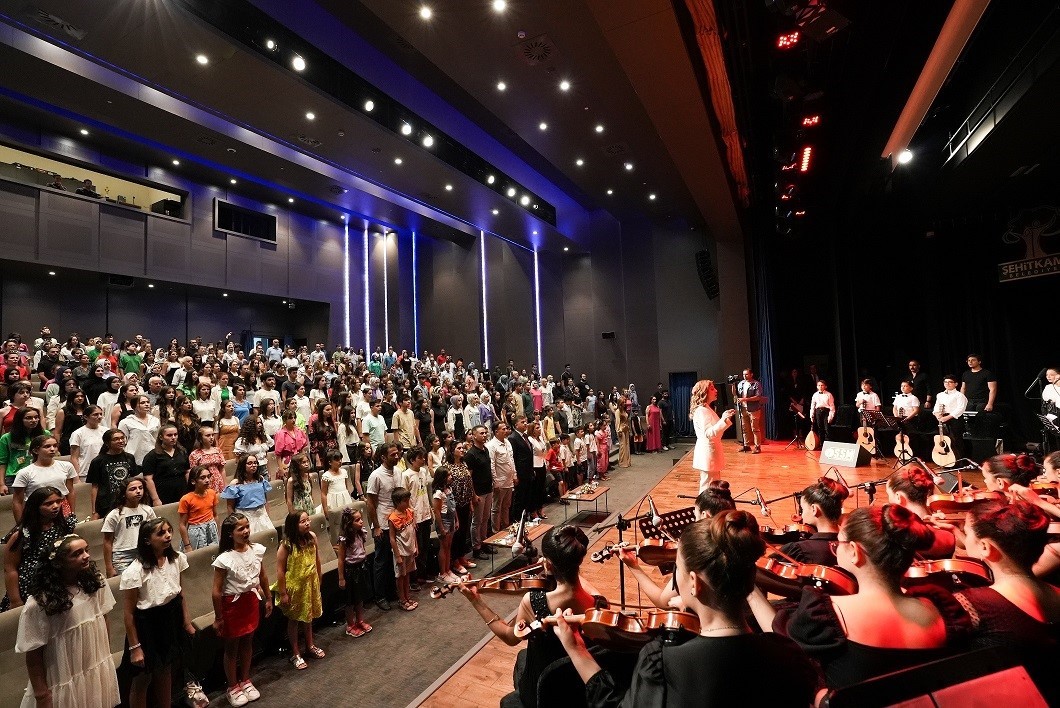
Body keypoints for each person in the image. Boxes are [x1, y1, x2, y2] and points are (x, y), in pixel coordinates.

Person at [556, 511, 821, 707]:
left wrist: (576, 649)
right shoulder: (788, 653)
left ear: (694, 583)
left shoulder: (662, 662)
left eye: (677, 569)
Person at [749, 504, 971, 690]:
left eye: (838, 544)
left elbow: (782, 638)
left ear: (854, 552)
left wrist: (749, 590)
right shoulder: (941, 606)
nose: (835, 548)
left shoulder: (829, 614)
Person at [459, 525, 607, 708]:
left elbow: (509, 636)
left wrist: (475, 601)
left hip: (543, 693)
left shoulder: (534, 602)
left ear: (549, 564)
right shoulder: (599, 603)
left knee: (522, 658)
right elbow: (575, 583)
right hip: (580, 686)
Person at [15, 534, 120, 708]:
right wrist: (42, 695)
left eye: (86, 550)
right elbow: (33, 655)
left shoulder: (96, 583)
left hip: (93, 666)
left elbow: (103, 619)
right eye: (77, 554)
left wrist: (103, 658)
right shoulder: (40, 603)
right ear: (59, 563)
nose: (86, 556)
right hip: (63, 675)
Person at [620, 480, 737, 611]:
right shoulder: (741, 543)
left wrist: (633, 566)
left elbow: (662, 602)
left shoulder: (695, 555)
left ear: (705, 516)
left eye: (695, 515)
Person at [120, 518, 194, 708]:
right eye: (161, 533)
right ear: (147, 540)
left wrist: (186, 622)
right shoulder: (135, 571)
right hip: (148, 625)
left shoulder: (176, 559)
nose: (168, 535)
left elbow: (181, 593)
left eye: (169, 531)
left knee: (165, 669)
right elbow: (129, 614)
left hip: (171, 619)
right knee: (143, 678)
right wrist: (135, 647)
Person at [212, 514, 272, 707]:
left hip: (250, 601)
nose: (246, 531)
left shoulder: (256, 550)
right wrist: (219, 617)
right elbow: (216, 591)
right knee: (232, 648)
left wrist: (269, 598)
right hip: (232, 605)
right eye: (241, 529)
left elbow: (263, 576)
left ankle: (245, 679)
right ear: (230, 534)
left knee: (248, 641)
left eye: (247, 527)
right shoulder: (224, 559)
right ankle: (232, 686)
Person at [3, 486, 77, 610]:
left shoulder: (64, 526)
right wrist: (15, 600)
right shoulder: (22, 534)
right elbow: (10, 568)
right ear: (36, 507)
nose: (55, 506)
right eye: (48, 504)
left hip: (58, 579)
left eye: (58, 501)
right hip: (31, 584)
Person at [276, 511, 325, 671]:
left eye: (308, 520)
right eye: (302, 521)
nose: (307, 523)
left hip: (310, 585)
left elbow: (317, 559)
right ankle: (295, 652)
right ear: (293, 525)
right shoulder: (286, 545)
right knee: (294, 620)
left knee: (308, 617)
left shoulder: (312, 537)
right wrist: (283, 593)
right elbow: (280, 571)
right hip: (295, 588)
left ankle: (310, 646)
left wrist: (319, 576)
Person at [885, 463, 956, 558]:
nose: (888, 500)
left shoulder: (901, 535)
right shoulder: (945, 531)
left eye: (889, 495)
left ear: (898, 497)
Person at [365, 442, 405, 611]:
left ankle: (392, 592)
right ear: (383, 457)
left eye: (398, 454)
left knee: (395, 559)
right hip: (382, 522)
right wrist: (375, 526)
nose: (397, 457)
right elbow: (370, 503)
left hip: (397, 521)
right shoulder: (376, 475)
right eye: (392, 455)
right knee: (382, 561)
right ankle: (380, 596)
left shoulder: (398, 471)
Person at [779, 477, 849, 566]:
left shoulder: (799, 550)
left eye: (803, 509)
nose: (802, 516)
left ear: (814, 509)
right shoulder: (851, 546)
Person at [11, 435, 77, 523]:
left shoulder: (67, 466)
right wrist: (20, 525)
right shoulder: (25, 473)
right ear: (35, 450)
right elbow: (17, 501)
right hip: (37, 510)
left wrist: (72, 513)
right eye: (47, 446)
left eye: (55, 446)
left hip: (61, 507)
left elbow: (70, 491)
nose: (52, 449)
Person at [102, 477, 156, 577]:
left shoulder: (147, 510)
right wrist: (109, 567)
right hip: (122, 555)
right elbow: (107, 542)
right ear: (124, 493)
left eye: (140, 488)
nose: (138, 491)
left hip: (143, 552)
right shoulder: (115, 514)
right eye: (133, 489)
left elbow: (153, 533)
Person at [690, 379, 736, 493]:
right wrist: (723, 419)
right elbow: (708, 434)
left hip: (711, 451)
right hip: (708, 452)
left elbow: (715, 432)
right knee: (707, 487)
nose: (716, 390)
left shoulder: (706, 408)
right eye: (712, 388)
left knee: (711, 485)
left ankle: (708, 508)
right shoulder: (702, 410)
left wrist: (725, 419)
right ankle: (703, 509)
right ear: (704, 391)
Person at [337, 507, 373, 638]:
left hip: (361, 567)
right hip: (350, 571)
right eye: (357, 520)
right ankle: (350, 625)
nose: (361, 522)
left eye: (361, 519)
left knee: (359, 598)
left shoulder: (361, 533)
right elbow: (340, 560)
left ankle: (360, 620)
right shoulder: (344, 540)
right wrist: (341, 577)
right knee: (350, 600)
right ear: (349, 523)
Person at [401, 447, 434, 589]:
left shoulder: (423, 471)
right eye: (420, 458)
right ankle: (414, 579)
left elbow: (425, 491)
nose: (423, 460)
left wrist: (430, 509)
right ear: (413, 459)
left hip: (425, 513)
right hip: (414, 516)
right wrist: (410, 516)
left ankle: (423, 574)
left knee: (425, 546)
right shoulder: (406, 475)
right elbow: (405, 498)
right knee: (416, 549)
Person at [0, 406, 48, 495]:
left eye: (36, 417)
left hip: (40, 474)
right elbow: (2, 462)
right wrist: (2, 484)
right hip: (15, 476)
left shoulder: (45, 434)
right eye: (28, 418)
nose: (34, 420)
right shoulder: (7, 438)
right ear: (20, 420)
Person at [221, 455, 274, 534]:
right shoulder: (235, 483)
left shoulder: (260, 479)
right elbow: (230, 506)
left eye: (255, 463)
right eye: (250, 463)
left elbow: (265, 501)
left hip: (261, 515)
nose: (253, 465)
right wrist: (235, 523)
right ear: (243, 465)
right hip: (245, 516)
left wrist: (268, 516)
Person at [142, 424, 190, 506]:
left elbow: (187, 472)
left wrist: (190, 491)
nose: (173, 437)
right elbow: (148, 479)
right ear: (161, 437)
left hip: (182, 491)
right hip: (162, 493)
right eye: (169, 435)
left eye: (175, 434)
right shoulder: (152, 455)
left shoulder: (182, 452)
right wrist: (155, 499)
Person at [465, 424, 494, 560]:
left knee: (485, 519)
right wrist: (473, 495)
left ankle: (484, 542)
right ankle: (476, 547)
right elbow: (469, 477)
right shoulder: (470, 454)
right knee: (477, 521)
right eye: (481, 433)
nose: (484, 435)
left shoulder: (486, 450)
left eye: (485, 433)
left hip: (488, 489)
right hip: (478, 492)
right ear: (474, 435)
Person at [388, 488, 419, 611]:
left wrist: (416, 546)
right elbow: (392, 539)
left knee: (407, 575)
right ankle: (401, 600)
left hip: (410, 549)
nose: (407, 503)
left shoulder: (410, 512)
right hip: (401, 551)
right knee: (400, 577)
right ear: (397, 502)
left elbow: (413, 531)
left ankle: (407, 597)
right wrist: (398, 556)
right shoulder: (392, 518)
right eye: (405, 501)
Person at [179, 466, 220, 550]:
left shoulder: (212, 493)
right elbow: (182, 525)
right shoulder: (186, 499)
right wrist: (187, 545)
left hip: (211, 528)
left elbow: (215, 515)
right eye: (203, 478)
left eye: (208, 477)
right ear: (193, 481)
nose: (207, 480)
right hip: (196, 531)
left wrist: (219, 534)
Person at [431, 466, 460, 584]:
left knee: (449, 546)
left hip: (451, 519)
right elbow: (437, 511)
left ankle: (448, 570)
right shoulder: (438, 494)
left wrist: (457, 520)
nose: (451, 477)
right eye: (448, 475)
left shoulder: (449, 490)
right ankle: (442, 573)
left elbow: (453, 507)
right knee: (444, 546)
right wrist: (441, 527)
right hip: (444, 521)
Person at [488, 421, 516, 531]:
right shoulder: (491, 445)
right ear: (496, 432)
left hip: (509, 480)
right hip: (499, 481)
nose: (506, 431)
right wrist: (495, 482)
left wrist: (515, 475)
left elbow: (511, 460)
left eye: (506, 429)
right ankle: (496, 531)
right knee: (496, 508)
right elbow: (492, 465)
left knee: (506, 506)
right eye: (503, 429)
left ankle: (506, 527)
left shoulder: (507, 442)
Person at [118, 395, 161, 465]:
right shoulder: (126, 422)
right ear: (134, 406)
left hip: (153, 455)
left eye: (147, 402)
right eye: (142, 403)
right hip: (135, 457)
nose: (146, 404)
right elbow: (122, 441)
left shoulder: (155, 420)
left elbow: (158, 438)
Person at [933, 375, 968, 456]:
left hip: (955, 419)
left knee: (955, 440)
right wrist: (937, 415)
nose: (947, 384)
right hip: (942, 419)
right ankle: (946, 459)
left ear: (955, 384)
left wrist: (947, 417)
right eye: (945, 382)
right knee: (944, 440)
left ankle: (959, 461)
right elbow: (936, 407)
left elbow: (960, 408)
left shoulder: (959, 395)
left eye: (950, 382)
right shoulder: (940, 395)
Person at [69, 404, 105, 479]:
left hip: (104, 470)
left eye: (100, 414)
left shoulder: (106, 431)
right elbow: (74, 457)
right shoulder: (78, 433)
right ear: (86, 417)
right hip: (85, 472)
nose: (99, 417)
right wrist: (76, 477)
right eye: (95, 414)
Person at [189, 425, 226, 494]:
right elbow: (194, 473)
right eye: (208, 435)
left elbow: (222, 469)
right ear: (200, 438)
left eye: (212, 435)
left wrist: (225, 485)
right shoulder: (195, 454)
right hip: (204, 482)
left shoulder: (217, 450)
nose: (211, 438)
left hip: (218, 480)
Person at [736, 368, 765, 453]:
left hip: (754, 409)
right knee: (744, 428)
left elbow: (758, 397)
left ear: (751, 374)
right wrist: (733, 386)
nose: (745, 376)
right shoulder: (741, 383)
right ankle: (746, 445)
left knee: (755, 428)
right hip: (743, 408)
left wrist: (744, 399)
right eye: (744, 374)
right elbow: (736, 394)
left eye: (746, 374)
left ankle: (757, 446)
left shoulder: (756, 384)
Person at [320, 450, 355, 519]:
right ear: (330, 462)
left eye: (340, 459)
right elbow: (323, 493)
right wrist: (325, 510)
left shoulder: (344, 472)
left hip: (344, 498)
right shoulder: (326, 476)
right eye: (337, 460)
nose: (340, 461)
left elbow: (346, 487)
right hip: (333, 501)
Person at [808, 379, 835, 445]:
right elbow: (813, 405)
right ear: (817, 386)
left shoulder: (829, 394)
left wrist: (831, 416)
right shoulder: (815, 395)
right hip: (818, 411)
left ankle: (828, 443)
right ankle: (821, 443)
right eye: (819, 385)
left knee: (827, 428)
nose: (820, 387)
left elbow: (832, 406)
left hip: (826, 411)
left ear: (825, 386)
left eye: (822, 385)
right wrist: (811, 414)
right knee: (820, 428)